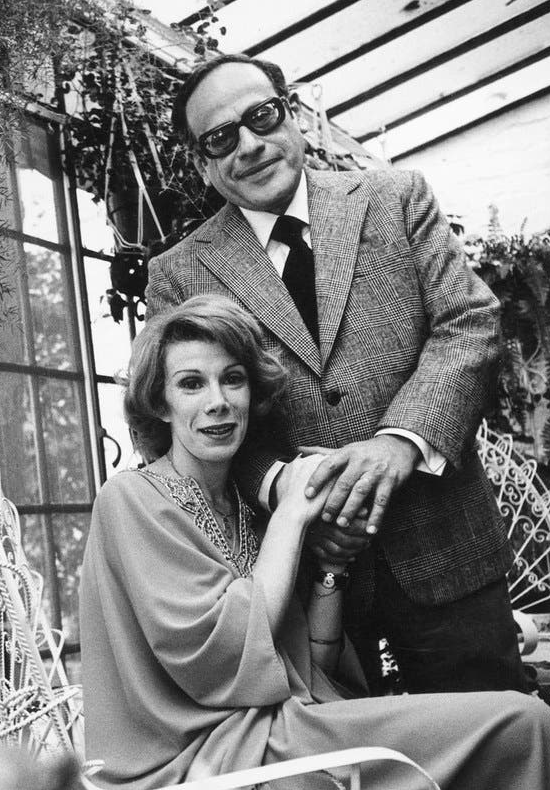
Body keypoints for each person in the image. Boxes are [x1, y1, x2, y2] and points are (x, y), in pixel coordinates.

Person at [79, 294, 550, 790]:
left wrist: (330, 568)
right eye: (191, 384)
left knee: (528, 726)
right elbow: (223, 661)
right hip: (210, 758)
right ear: (159, 403)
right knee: (526, 727)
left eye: (232, 379)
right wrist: (293, 511)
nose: (218, 401)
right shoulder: (130, 500)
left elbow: (316, 665)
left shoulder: (245, 505)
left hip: (293, 726)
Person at [144, 53, 525, 694]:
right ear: (202, 162)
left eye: (262, 116)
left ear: (291, 114)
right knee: (347, 756)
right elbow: (180, 420)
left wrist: (399, 443)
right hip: (296, 579)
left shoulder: (395, 198)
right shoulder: (178, 274)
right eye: (221, 137)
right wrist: (285, 494)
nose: (249, 145)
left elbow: (470, 322)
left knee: (497, 736)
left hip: (446, 552)